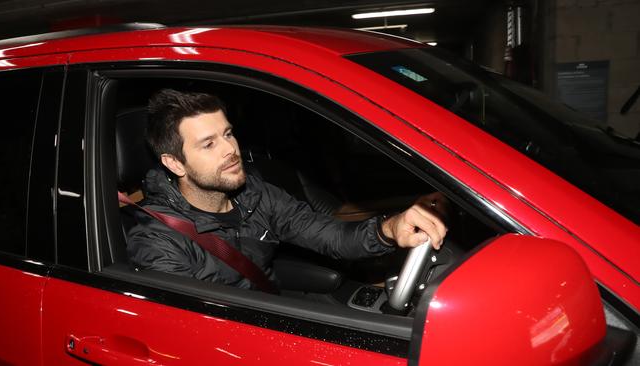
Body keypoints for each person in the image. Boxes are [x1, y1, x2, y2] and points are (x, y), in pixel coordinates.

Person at [127, 89, 448, 290]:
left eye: (228, 134)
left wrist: (389, 229)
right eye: (209, 144)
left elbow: (331, 236)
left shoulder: (256, 194)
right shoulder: (159, 242)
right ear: (175, 163)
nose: (230, 149)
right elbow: (195, 331)